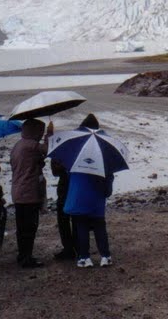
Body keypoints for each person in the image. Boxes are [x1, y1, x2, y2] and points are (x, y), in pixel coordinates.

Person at [64, 114, 115, 268]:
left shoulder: (75, 147)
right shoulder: (103, 146)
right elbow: (109, 174)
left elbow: (67, 170)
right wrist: (107, 189)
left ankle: (84, 258)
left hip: (79, 195)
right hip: (97, 195)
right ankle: (105, 256)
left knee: (81, 227)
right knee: (100, 226)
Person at [10, 117, 52, 268]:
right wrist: (50, 137)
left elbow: (27, 164)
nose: (41, 135)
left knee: (22, 228)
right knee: (29, 227)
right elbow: (48, 150)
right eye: (40, 131)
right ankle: (27, 258)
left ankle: (22, 255)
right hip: (29, 192)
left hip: (18, 191)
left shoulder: (18, 145)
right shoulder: (31, 145)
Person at [51, 157, 76, 261]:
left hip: (66, 188)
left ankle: (70, 249)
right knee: (73, 220)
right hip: (76, 186)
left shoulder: (61, 150)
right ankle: (76, 248)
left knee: (65, 220)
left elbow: (55, 172)